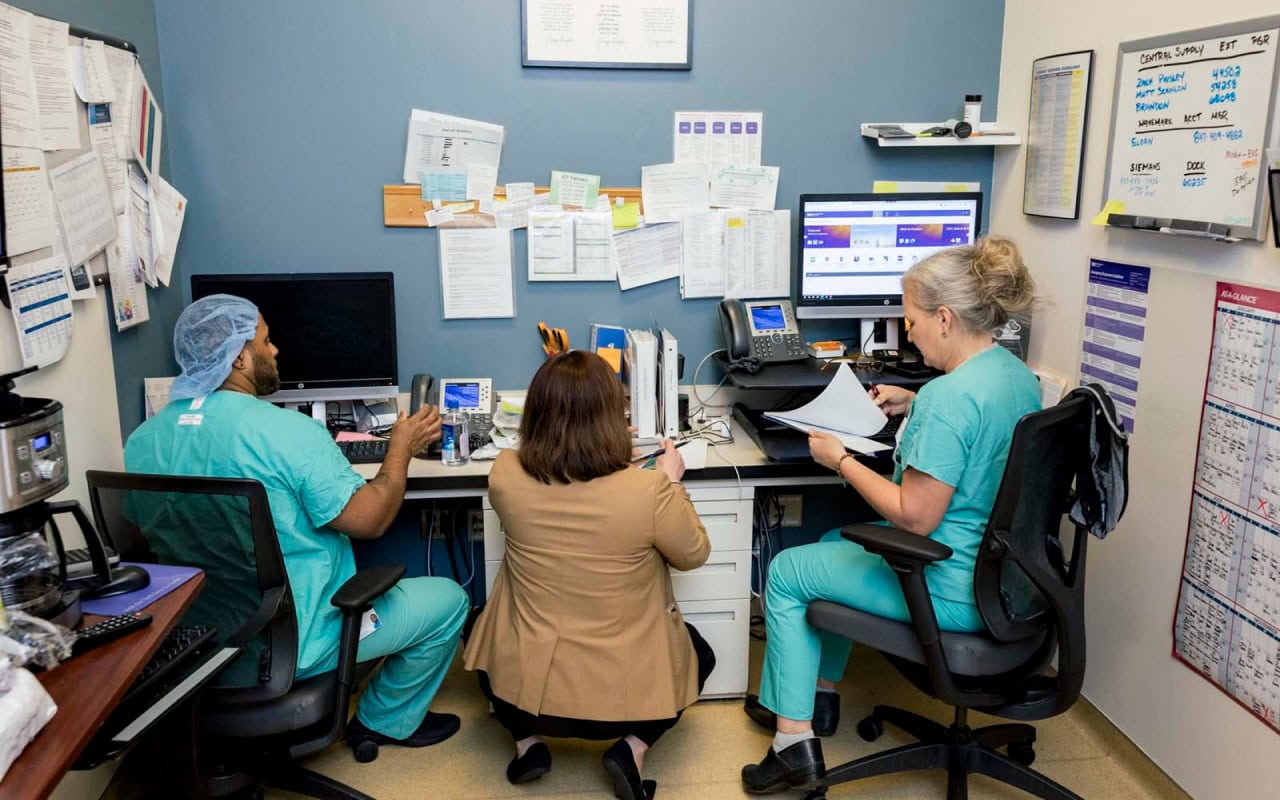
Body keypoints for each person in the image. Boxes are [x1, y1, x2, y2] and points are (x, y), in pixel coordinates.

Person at [740, 236, 1043, 794]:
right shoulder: (1014, 377)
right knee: (835, 537)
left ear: (945, 318)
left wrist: (841, 459)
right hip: (1006, 583)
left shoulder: (948, 400)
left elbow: (914, 517)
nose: (907, 332)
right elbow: (979, 441)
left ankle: (791, 746)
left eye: (911, 320)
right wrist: (911, 400)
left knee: (786, 573)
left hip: (952, 589)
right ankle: (817, 698)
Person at [125, 294, 469, 756]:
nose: (276, 351)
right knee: (449, 600)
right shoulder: (287, 433)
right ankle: (383, 722)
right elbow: (370, 519)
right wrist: (399, 451)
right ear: (241, 357)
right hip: (297, 644)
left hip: (197, 646)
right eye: (267, 341)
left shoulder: (143, 440)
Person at [463, 350, 715, 800]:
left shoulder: (503, 474)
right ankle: (632, 749)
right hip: (624, 699)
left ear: (537, 412)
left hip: (529, 693)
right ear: (613, 416)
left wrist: (606, 456)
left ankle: (528, 744)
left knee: (479, 626)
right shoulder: (648, 489)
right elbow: (693, 553)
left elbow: (559, 483)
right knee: (701, 654)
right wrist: (670, 481)